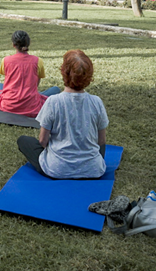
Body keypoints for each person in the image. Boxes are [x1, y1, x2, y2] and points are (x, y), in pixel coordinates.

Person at [17, 50, 109, 179]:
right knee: (98, 148)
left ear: (64, 72)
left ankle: (65, 164)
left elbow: (43, 141)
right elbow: (101, 141)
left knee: (23, 141)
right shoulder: (96, 102)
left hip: (57, 169)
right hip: (93, 169)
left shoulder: (53, 102)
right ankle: (86, 164)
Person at [0, 30, 61, 117]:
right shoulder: (37, 61)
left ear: (13, 45)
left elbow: (7, 79)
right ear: (28, 44)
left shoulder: (6, 60)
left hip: (9, 105)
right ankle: (31, 96)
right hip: (31, 105)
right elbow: (36, 84)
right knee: (56, 89)